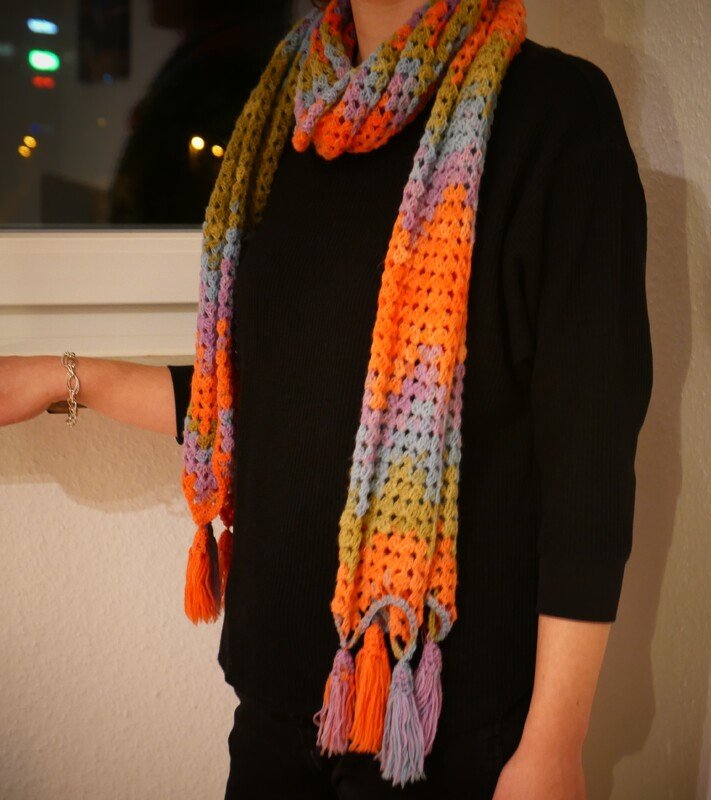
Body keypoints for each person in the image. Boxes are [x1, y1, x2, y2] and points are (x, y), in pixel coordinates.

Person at [0, 0, 653, 798]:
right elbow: (269, 402)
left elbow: (587, 458)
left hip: (439, 731)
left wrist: (553, 743)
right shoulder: (280, 119)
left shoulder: (552, 115)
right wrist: (65, 377)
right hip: (274, 714)